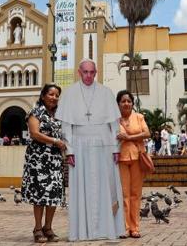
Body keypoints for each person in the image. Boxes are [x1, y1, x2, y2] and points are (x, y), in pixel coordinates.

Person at [56, 59, 125, 241]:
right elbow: (66, 126)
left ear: (96, 73)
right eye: (85, 72)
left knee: (106, 186)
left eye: (91, 72)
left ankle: (107, 229)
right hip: (79, 146)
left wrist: (115, 148)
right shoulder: (70, 94)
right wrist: (69, 151)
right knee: (82, 187)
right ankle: (82, 231)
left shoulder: (106, 93)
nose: (88, 75)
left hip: (104, 146)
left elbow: (114, 125)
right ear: (79, 72)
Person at [22, 84, 65, 243]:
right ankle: (38, 228)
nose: (54, 97)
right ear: (43, 96)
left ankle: (48, 228)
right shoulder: (35, 112)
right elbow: (34, 133)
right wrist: (55, 141)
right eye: (51, 94)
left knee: (53, 194)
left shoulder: (59, 115)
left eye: (56, 95)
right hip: (38, 160)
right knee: (40, 194)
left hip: (54, 159)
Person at [116, 90, 151, 239]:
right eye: (123, 101)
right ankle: (125, 227)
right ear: (118, 103)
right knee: (123, 195)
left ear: (132, 103)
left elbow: (147, 133)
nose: (126, 104)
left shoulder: (139, 117)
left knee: (136, 194)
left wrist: (129, 137)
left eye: (129, 101)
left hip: (137, 157)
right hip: (121, 158)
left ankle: (135, 227)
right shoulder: (114, 119)